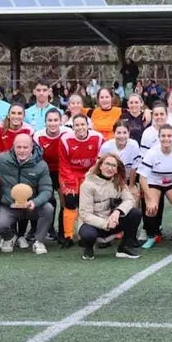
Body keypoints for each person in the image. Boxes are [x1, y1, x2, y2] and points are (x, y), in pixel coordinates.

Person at [0, 134, 54, 255]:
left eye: (25, 147)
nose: (22, 150)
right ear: (13, 147)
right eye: (18, 147)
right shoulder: (2, 160)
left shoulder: (41, 165)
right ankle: (10, 237)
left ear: (32, 147)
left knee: (48, 209)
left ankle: (39, 241)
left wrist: (35, 202)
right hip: (9, 206)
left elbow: (47, 189)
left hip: (31, 206)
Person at [75, 153, 143, 260]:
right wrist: (105, 223)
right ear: (100, 166)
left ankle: (124, 247)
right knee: (88, 234)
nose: (110, 168)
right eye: (107, 164)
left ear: (117, 170)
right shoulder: (87, 185)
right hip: (93, 224)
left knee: (135, 213)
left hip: (113, 221)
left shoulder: (118, 182)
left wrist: (118, 212)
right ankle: (89, 248)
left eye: (113, 166)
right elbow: (85, 214)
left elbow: (130, 200)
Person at [138, 124, 172, 249]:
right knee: (151, 208)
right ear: (159, 137)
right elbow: (142, 178)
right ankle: (153, 235)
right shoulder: (152, 153)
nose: (166, 139)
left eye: (169, 136)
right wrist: (150, 199)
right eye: (163, 136)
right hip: (154, 181)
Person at [59, 114, 105, 247]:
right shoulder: (65, 140)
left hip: (91, 173)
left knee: (92, 203)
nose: (80, 128)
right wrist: (72, 183)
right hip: (71, 174)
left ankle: (88, 235)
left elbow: (102, 159)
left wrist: (93, 177)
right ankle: (68, 236)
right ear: (73, 127)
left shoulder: (98, 138)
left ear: (87, 125)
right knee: (70, 201)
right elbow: (64, 164)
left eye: (82, 124)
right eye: (77, 125)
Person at [34, 109, 66, 242]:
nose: (53, 123)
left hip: (62, 171)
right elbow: (35, 159)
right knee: (47, 199)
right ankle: (48, 229)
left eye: (55, 120)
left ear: (60, 121)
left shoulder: (67, 133)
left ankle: (63, 232)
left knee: (64, 200)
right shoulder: (38, 136)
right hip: (45, 172)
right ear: (45, 122)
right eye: (50, 120)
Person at [99, 120, 143, 187]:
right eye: (118, 133)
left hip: (127, 180)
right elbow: (101, 167)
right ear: (114, 133)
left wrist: (131, 186)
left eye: (125, 132)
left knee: (134, 195)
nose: (122, 136)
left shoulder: (134, 145)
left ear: (129, 133)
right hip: (110, 180)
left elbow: (134, 168)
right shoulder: (106, 147)